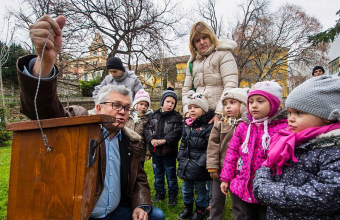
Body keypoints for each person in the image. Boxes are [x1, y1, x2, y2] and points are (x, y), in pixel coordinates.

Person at [19, 14, 165, 220]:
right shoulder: (80, 126)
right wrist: (45, 63)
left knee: (156, 215)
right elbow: (45, 112)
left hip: (116, 212)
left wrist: (140, 205)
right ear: (97, 107)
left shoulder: (131, 141)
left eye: (126, 107)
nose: (122, 111)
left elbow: (139, 179)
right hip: (83, 213)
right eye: (116, 105)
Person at [253, 75, 340, 219]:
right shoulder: (286, 140)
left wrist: (266, 190)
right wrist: (263, 182)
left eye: (299, 113)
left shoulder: (333, 150)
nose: (290, 118)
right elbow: (266, 166)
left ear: (326, 115)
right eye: (289, 112)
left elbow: (323, 197)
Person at [220, 81, 288, 220]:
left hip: (268, 188)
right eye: (250, 101)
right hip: (244, 184)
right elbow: (232, 152)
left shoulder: (283, 128)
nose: (254, 105)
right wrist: (226, 178)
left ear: (274, 103)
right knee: (246, 216)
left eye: (260, 101)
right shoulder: (244, 126)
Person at [182, 21, 238, 125]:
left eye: (204, 37)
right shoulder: (192, 62)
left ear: (210, 37)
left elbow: (230, 85)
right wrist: (187, 111)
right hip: (198, 116)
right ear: (193, 44)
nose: (202, 42)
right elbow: (186, 90)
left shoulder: (223, 54)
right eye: (197, 40)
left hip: (219, 116)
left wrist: (219, 113)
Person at [206, 87, 249, 220]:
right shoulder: (219, 125)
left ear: (243, 105)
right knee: (216, 201)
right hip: (220, 170)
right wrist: (213, 167)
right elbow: (212, 147)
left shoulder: (248, 126)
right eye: (225, 104)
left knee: (238, 204)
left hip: (238, 173)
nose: (228, 107)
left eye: (232, 102)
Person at [177, 90, 215, 220]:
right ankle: (187, 208)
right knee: (186, 189)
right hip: (186, 164)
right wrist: (180, 157)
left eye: (196, 107)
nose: (192, 110)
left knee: (200, 190)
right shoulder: (187, 125)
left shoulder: (208, 126)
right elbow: (183, 143)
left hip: (199, 166)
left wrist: (201, 163)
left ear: (204, 110)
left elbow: (210, 147)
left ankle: (200, 211)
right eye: (190, 107)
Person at [144, 87, 183, 207]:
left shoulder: (176, 117)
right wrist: (151, 139)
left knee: (170, 175)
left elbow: (177, 132)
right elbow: (147, 129)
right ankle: (159, 193)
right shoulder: (154, 116)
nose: (170, 104)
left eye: (173, 103)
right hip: (156, 152)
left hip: (169, 152)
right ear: (162, 102)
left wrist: (164, 140)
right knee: (158, 174)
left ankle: (172, 195)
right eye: (168, 102)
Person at [125, 89, 153, 168]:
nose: (143, 107)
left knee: (138, 171)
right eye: (141, 104)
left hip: (139, 151)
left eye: (146, 105)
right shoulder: (128, 116)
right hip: (126, 148)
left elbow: (149, 137)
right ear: (135, 104)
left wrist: (148, 152)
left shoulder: (148, 120)